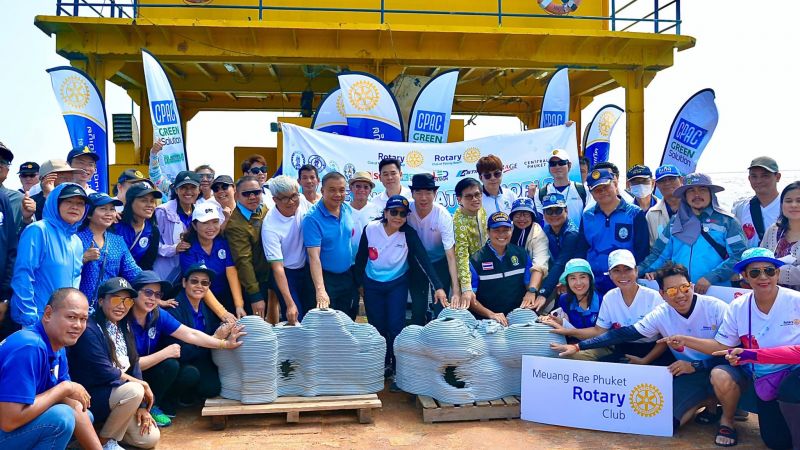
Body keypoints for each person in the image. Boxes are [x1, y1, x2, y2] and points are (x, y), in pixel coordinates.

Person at [552, 262, 729, 432]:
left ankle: (726, 419)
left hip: (720, 367)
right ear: (662, 294)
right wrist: (578, 347)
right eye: (672, 290)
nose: (680, 295)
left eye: (684, 287)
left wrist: (696, 364)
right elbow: (623, 333)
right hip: (689, 372)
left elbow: (730, 351)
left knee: (720, 375)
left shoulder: (716, 307)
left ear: (691, 286)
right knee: (665, 424)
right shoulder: (661, 313)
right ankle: (705, 400)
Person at [659, 248, 800, 448]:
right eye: (754, 272)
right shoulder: (738, 306)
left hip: (795, 375)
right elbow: (722, 345)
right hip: (764, 380)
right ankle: (727, 416)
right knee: (775, 442)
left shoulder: (796, 301)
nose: (763, 277)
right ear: (744, 277)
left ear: (777, 273)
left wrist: (751, 355)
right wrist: (685, 340)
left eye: (769, 271)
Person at [126, 271, 245, 427]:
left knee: (181, 370)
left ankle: (153, 405)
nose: (153, 298)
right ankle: (141, 408)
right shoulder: (122, 319)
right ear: (134, 293)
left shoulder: (157, 314)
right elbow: (126, 366)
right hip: (125, 377)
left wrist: (224, 344)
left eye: (157, 294)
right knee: (170, 363)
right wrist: (164, 353)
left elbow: (191, 334)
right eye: (148, 292)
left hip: (148, 371)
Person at [355, 195, 446, 375]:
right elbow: (361, 258)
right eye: (394, 212)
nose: (398, 217)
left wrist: (438, 287)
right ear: (386, 213)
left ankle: (398, 367)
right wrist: (359, 284)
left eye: (403, 214)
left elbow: (424, 260)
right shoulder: (371, 229)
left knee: (396, 326)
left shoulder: (408, 234)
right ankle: (382, 363)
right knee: (377, 326)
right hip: (372, 284)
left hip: (397, 284)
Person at [0, 288, 101, 450]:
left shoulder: (57, 346)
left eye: (83, 319)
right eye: (71, 317)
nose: (78, 325)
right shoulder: (29, 347)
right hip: (6, 424)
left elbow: (71, 403)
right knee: (61, 418)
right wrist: (65, 387)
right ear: (48, 314)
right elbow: (9, 421)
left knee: (82, 415)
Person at [67, 277, 161, 449]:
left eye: (128, 301)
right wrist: (141, 385)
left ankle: (96, 435)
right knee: (134, 390)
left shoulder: (124, 325)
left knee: (149, 438)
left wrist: (141, 407)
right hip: (92, 398)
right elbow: (105, 371)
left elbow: (134, 363)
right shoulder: (89, 329)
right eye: (116, 299)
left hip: (120, 397)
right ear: (101, 301)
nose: (122, 306)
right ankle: (104, 442)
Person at [548, 250, 668, 364]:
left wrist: (645, 360)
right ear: (610, 274)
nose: (623, 275)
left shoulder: (654, 297)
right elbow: (599, 331)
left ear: (636, 271)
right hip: (622, 350)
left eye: (628, 269)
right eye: (616, 271)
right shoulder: (609, 297)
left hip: (652, 351)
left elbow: (666, 338)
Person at [639, 173, 747, 294]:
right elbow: (659, 255)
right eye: (691, 190)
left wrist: (711, 277)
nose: (697, 195)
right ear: (685, 195)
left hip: (716, 292)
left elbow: (739, 256)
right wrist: (636, 271)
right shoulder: (675, 222)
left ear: (711, 193)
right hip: (679, 293)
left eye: (702, 189)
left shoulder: (728, 222)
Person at [10, 183, 88, 328]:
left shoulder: (76, 241)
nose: (75, 207)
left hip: (66, 323)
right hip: (39, 320)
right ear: (55, 204)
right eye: (68, 201)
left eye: (80, 203)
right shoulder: (38, 230)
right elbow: (23, 275)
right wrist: (29, 316)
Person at [163, 264, 225, 409]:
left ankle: (191, 393)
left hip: (199, 356)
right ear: (184, 282)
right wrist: (214, 339)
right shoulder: (174, 307)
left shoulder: (206, 306)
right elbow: (178, 350)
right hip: (179, 361)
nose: (199, 286)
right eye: (194, 281)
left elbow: (212, 330)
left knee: (212, 389)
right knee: (190, 375)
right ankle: (169, 400)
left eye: (204, 283)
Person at [715, 346, 800, 449]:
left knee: (791, 388)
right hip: (773, 379)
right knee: (777, 442)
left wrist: (750, 355)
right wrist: (747, 355)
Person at [582, 168, 649, 294]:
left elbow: (642, 250)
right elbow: (582, 248)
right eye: (597, 189)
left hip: (626, 280)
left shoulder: (634, 213)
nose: (602, 192)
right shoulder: (587, 215)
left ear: (615, 184)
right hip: (595, 282)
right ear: (591, 193)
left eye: (606, 187)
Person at [407, 173, 462, 324]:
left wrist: (456, 290)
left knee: (441, 307)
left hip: (439, 262)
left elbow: (451, 255)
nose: (423, 198)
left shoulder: (442, 215)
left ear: (435, 193)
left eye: (428, 193)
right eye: (419, 192)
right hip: (417, 263)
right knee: (418, 309)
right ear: (412, 193)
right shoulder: (406, 211)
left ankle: (439, 334)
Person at [468, 212, 541, 326]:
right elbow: (470, 298)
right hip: (488, 321)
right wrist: (491, 314)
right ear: (488, 232)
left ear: (511, 230)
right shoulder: (476, 260)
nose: (501, 234)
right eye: (496, 230)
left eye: (506, 230)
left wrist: (531, 292)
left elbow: (529, 285)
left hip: (518, 317)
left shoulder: (521, 254)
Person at [303, 172, 359, 318]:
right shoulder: (312, 218)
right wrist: (320, 290)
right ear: (322, 191)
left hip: (347, 276)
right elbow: (314, 257)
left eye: (341, 190)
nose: (338, 194)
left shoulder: (346, 209)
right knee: (327, 324)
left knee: (348, 320)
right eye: (332, 190)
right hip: (325, 279)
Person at [180, 205, 245, 320]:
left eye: (215, 222)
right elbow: (200, 284)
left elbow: (231, 272)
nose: (211, 227)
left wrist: (239, 305)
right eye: (205, 223)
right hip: (199, 299)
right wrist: (223, 313)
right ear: (194, 225)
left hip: (225, 294)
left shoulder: (223, 243)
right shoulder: (188, 250)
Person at [262, 175, 312, 324]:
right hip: (286, 273)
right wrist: (290, 303)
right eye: (285, 198)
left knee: (312, 315)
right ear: (275, 200)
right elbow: (277, 267)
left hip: (306, 268)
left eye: (293, 196)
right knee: (295, 317)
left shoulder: (302, 201)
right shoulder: (270, 226)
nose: (291, 202)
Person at [78, 193, 141, 308]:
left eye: (112, 209)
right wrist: (83, 258)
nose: (109, 213)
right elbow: (63, 270)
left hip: (108, 307)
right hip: (79, 306)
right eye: (103, 209)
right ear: (89, 214)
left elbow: (133, 273)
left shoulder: (117, 241)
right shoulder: (76, 238)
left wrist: (151, 291)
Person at [224, 176, 271, 319]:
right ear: (236, 196)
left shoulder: (264, 209)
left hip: (270, 277)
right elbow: (243, 261)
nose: (252, 197)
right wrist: (255, 295)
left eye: (256, 192)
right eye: (246, 194)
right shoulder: (235, 225)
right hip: (253, 283)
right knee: (257, 326)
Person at [536, 193, 585, 311]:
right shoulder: (546, 231)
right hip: (559, 277)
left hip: (576, 277)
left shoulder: (571, 233)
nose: (554, 215)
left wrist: (543, 293)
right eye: (549, 211)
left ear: (566, 210)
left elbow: (561, 262)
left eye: (558, 210)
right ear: (544, 214)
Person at [153, 170, 200, 287]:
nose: (188, 191)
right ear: (176, 190)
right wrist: (174, 249)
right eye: (183, 187)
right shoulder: (162, 211)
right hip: (166, 273)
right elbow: (152, 244)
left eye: (193, 187)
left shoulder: (200, 212)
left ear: (199, 190)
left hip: (192, 271)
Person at [452, 177, 487, 310]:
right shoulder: (458, 222)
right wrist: (466, 287)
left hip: (485, 266)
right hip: (469, 272)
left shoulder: (481, 210)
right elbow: (461, 256)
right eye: (469, 196)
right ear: (459, 199)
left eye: (477, 194)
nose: (475, 199)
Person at [733, 156, 782, 247]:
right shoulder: (740, 208)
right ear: (749, 178)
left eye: (765, 176)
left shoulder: (789, 207)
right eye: (754, 176)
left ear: (778, 177)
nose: (758, 181)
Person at [760, 181, 800, 290]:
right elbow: (760, 257)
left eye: (799, 200)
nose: (794, 205)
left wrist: (769, 272)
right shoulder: (773, 230)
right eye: (788, 201)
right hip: (771, 295)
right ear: (781, 205)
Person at [510, 198, 549, 307]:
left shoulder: (538, 234)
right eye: (518, 215)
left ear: (532, 216)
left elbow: (540, 263)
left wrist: (532, 290)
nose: (522, 218)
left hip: (531, 280)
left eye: (526, 215)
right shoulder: (507, 229)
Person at [114, 183, 163, 271]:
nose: (149, 205)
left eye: (152, 201)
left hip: (135, 277)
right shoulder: (114, 224)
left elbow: (147, 265)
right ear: (130, 202)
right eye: (144, 200)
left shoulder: (153, 231)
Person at [535, 149, 588, 227]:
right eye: (553, 164)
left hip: (578, 235)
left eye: (561, 163)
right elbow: (538, 221)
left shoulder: (583, 190)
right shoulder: (541, 193)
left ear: (569, 165)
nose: (557, 167)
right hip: (550, 235)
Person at [646, 164, 683, 245]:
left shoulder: (694, 207)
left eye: (671, 179)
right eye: (662, 181)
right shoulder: (652, 214)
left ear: (681, 180)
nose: (667, 183)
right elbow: (652, 247)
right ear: (657, 185)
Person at [347, 170, 379, 246]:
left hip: (369, 253)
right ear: (351, 188)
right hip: (347, 253)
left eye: (366, 187)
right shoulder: (343, 209)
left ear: (370, 190)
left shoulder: (377, 210)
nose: (362, 190)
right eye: (358, 186)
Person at [0, 142, 25, 233]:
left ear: (8, 170)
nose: (0, 165)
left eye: (3, 162)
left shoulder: (19, 200)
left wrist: (27, 220)